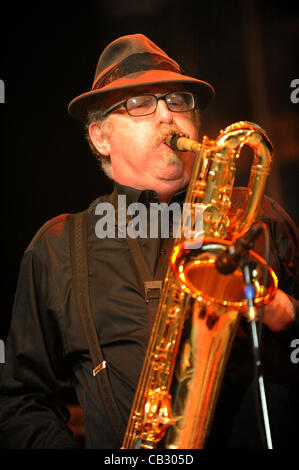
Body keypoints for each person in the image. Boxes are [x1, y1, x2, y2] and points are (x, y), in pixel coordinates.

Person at [0, 34, 298, 449]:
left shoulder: (257, 217)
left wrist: (282, 309)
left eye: (178, 101)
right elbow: (21, 401)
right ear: (102, 137)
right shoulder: (57, 247)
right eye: (141, 103)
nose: (167, 116)